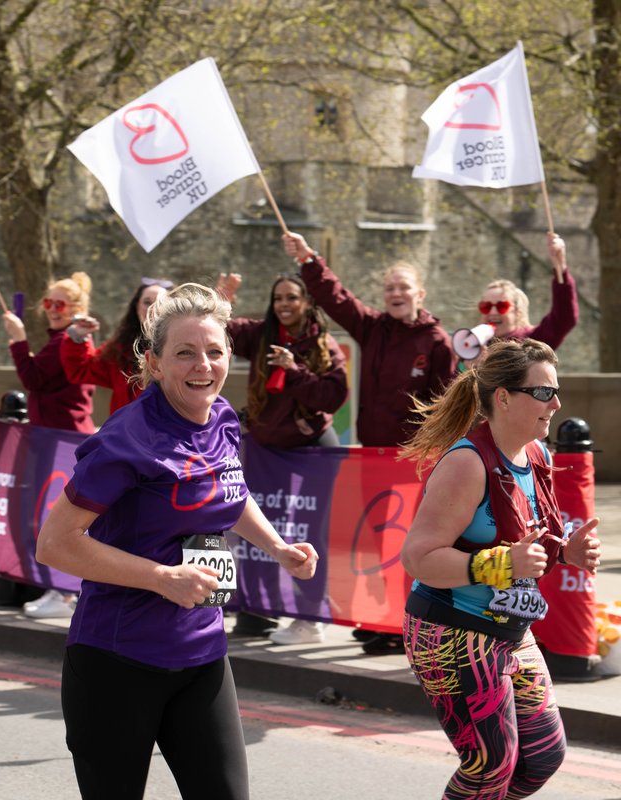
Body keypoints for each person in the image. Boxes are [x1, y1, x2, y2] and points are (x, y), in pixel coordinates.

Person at [36, 283, 318, 800]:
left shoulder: (222, 418)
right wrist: (163, 578)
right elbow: (54, 544)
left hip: (202, 650)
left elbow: (229, 490)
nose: (202, 366)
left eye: (214, 352)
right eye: (185, 353)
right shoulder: (126, 439)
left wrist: (277, 547)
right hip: (118, 659)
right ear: (155, 362)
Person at [399, 338, 601, 800]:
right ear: (505, 397)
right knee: (490, 764)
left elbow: (532, 540)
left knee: (544, 755)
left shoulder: (536, 455)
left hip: (512, 631)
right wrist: (500, 562)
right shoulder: (466, 464)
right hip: (449, 632)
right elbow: (419, 558)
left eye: (557, 390)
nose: (557, 403)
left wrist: (565, 552)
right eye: (544, 392)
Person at [283, 231, 458, 653]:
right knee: (379, 542)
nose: (396, 294)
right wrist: (309, 260)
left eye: (403, 288)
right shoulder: (374, 329)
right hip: (375, 458)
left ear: (420, 293)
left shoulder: (437, 343)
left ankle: (409, 625)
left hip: (415, 460)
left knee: (412, 544)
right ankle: (384, 619)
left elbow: (450, 404)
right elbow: (335, 298)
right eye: (390, 288)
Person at [223, 272, 348, 644]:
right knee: (259, 532)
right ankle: (258, 609)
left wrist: (294, 370)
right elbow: (216, 327)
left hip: (311, 451)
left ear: (308, 302)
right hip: (265, 451)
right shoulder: (260, 336)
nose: (284, 305)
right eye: (278, 298)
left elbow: (332, 396)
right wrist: (221, 295)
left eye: (292, 297)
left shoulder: (324, 345)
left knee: (309, 534)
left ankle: (310, 616)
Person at [2, 271, 96, 618]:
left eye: (61, 304)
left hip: (65, 438)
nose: (54, 309)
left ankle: (66, 591)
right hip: (53, 436)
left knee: (62, 519)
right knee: (53, 516)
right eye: (49, 303)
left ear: (77, 308)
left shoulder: (65, 342)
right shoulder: (58, 339)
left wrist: (17, 339)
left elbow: (34, 378)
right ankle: (59, 588)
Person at [60, 277, 173, 413]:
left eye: (161, 304)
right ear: (136, 308)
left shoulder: (187, 348)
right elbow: (82, 370)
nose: (152, 310)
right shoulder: (120, 349)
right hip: (126, 432)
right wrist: (78, 337)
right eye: (147, 302)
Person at [468, 232, 579, 364]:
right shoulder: (473, 345)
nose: (492, 312)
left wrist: (560, 266)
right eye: (486, 307)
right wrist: (469, 371)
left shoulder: (532, 341)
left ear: (518, 311)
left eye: (501, 306)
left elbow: (563, 318)